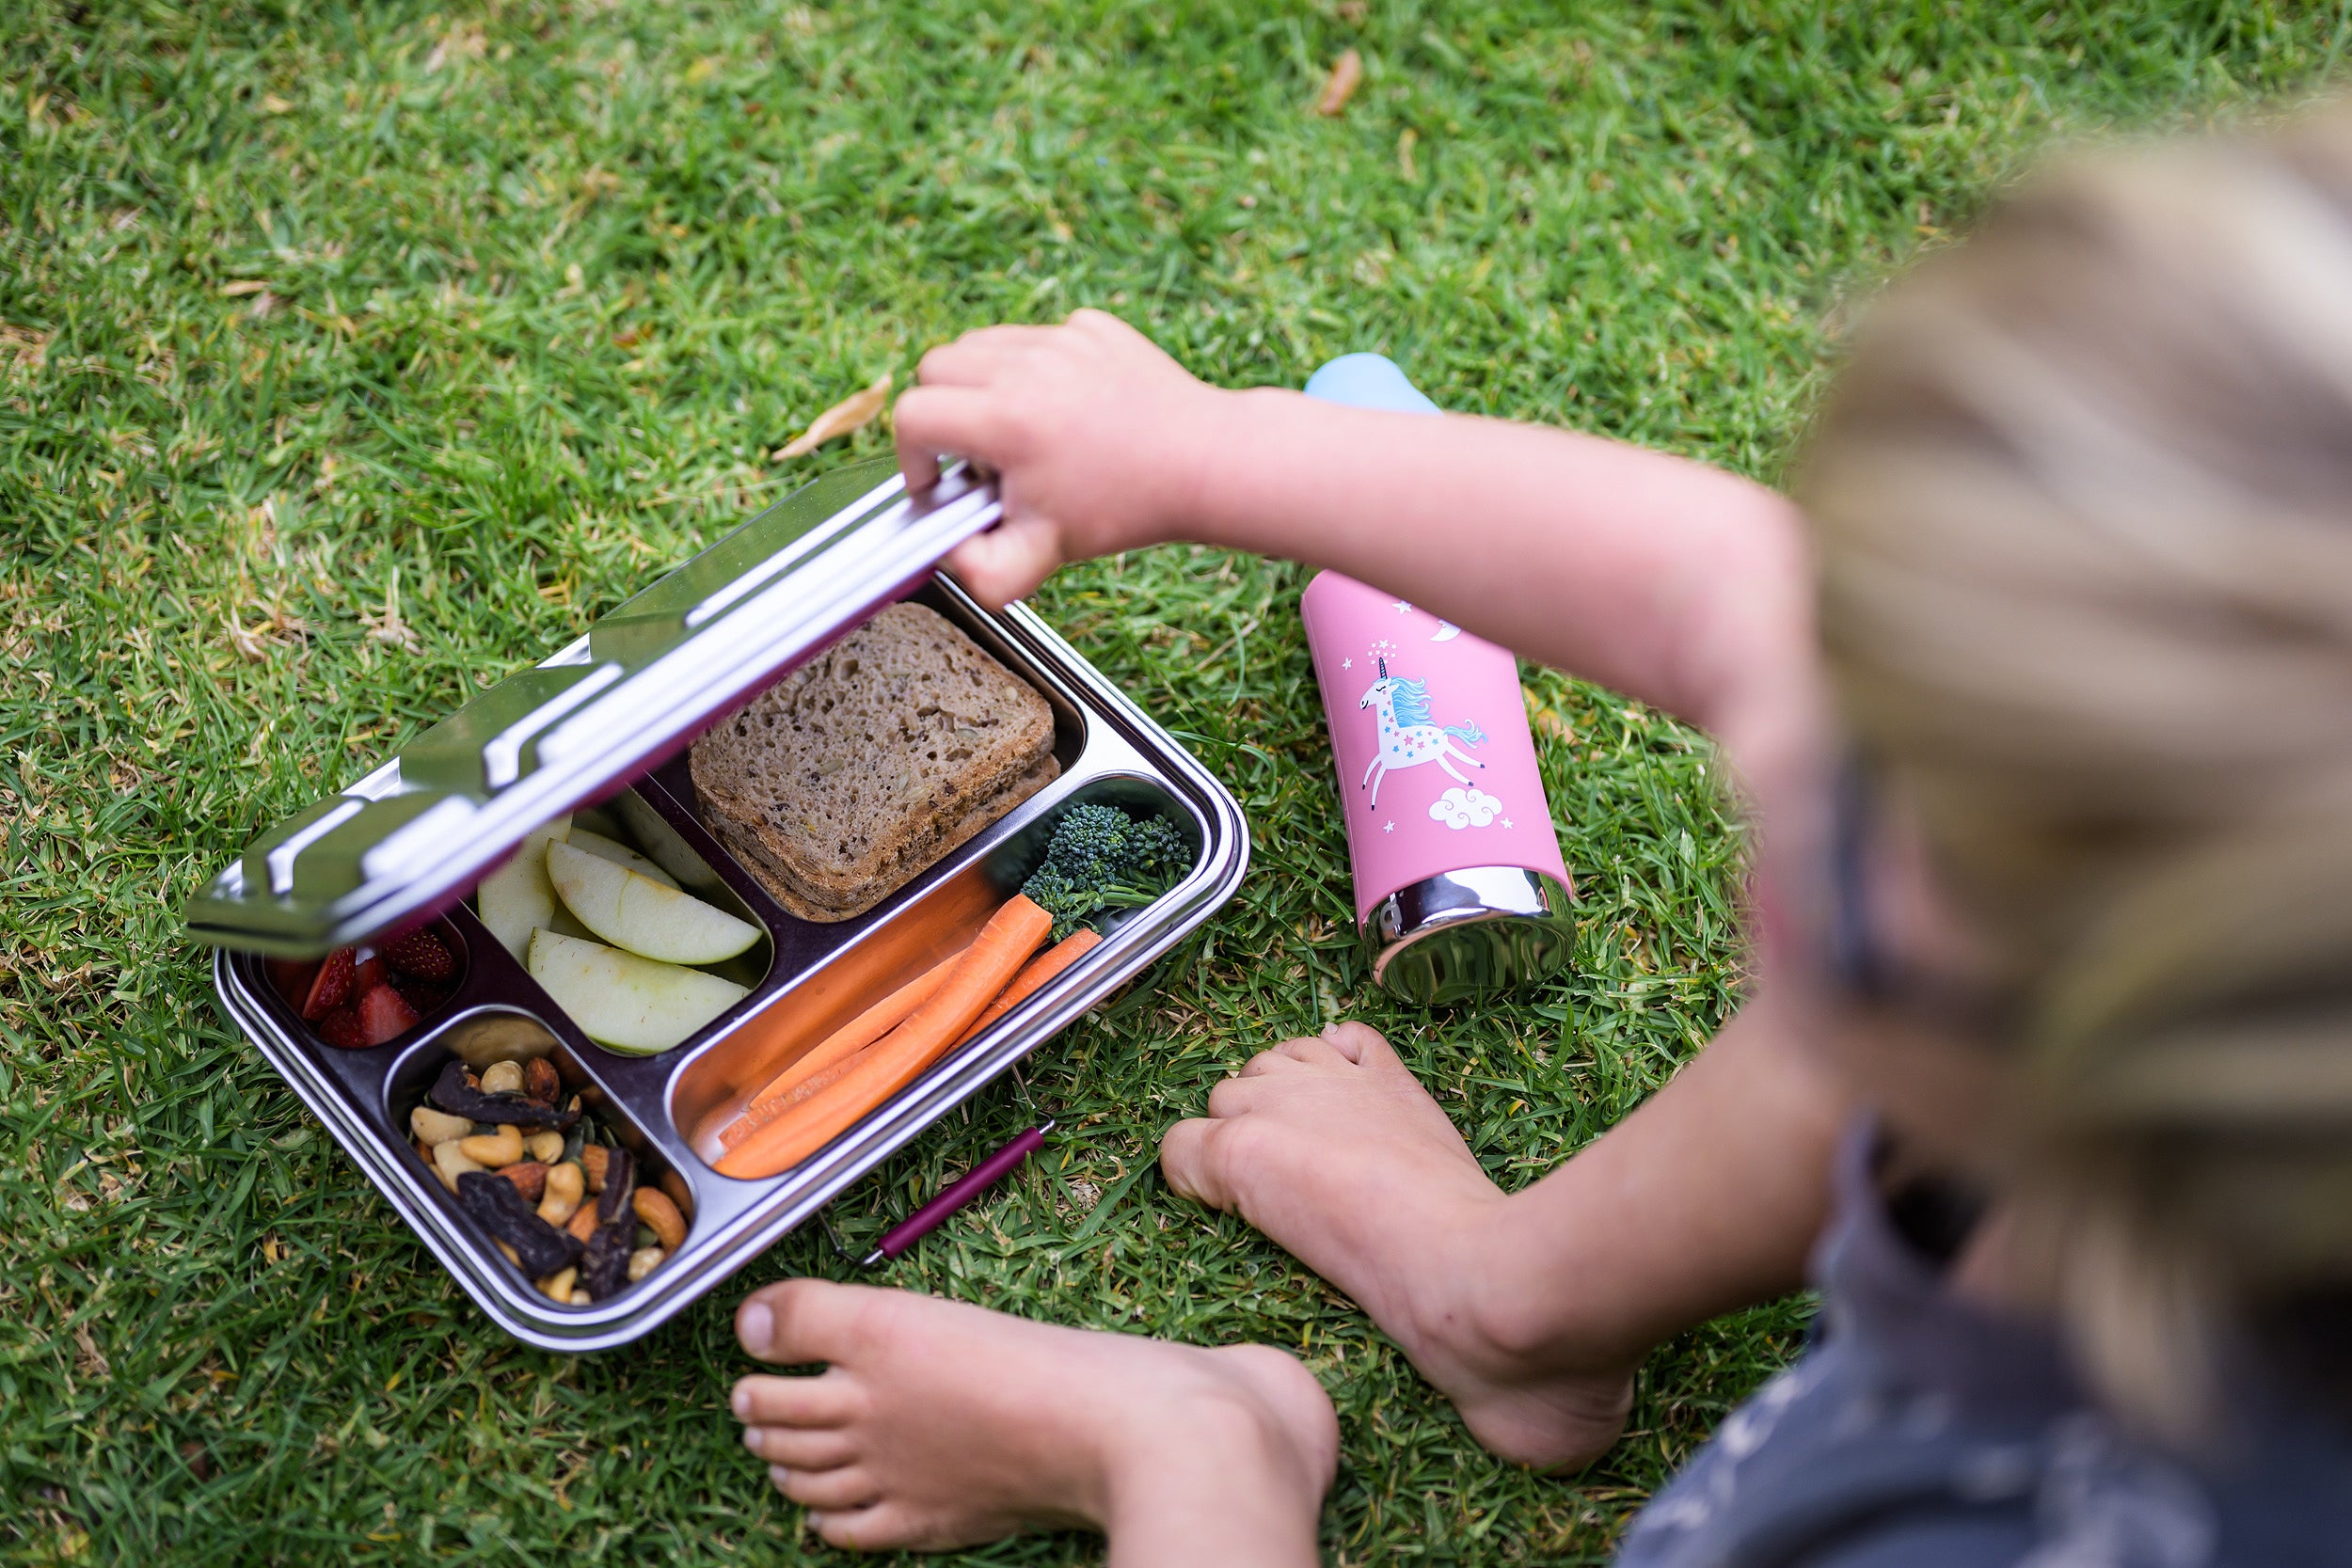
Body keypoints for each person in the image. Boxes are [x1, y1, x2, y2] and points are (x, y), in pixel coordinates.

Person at [725, 106, 2352, 1564]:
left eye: (1863, 786)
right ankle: (1517, 1312)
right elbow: (1726, 585)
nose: (1760, 732)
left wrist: (1178, 1476)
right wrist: (1208, 446)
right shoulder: (2180, 1009)